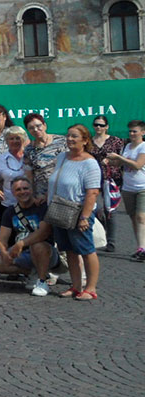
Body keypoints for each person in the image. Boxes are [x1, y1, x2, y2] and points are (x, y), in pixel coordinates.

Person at [47, 125, 103, 300]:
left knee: (86, 250)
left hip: (79, 212)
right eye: (68, 136)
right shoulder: (62, 157)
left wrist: (85, 217)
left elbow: (92, 192)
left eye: (75, 136)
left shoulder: (90, 163)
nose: (70, 139)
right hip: (60, 210)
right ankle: (76, 286)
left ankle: (91, 288)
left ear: (85, 140)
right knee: (69, 251)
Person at [0, 177, 59, 296]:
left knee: (37, 245)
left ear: (31, 190)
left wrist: (20, 244)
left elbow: (43, 233)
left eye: (25, 188)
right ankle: (33, 273)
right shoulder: (10, 211)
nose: (23, 192)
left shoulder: (43, 207)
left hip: (46, 252)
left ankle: (42, 281)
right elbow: (2, 239)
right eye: (18, 190)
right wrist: (4, 253)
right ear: (13, 193)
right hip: (22, 254)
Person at [106, 119, 145, 260]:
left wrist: (119, 157)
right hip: (128, 187)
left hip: (142, 187)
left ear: (143, 132)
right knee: (134, 217)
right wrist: (111, 161)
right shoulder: (127, 146)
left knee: (141, 217)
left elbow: (138, 165)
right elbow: (121, 163)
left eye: (135, 131)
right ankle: (140, 246)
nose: (132, 133)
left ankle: (143, 248)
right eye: (130, 131)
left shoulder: (143, 147)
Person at [90, 114, 125, 252]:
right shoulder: (89, 142)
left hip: (111, 178)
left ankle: (111, 241)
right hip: (93, 178)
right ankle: (99, 233)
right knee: (94, 207)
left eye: (101, 125)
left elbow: (122, 160)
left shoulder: (116, 141)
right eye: (96, 124)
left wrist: (112, 161)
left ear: (107, 127)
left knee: (110, 209)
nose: (99, 127)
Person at [0, 125, 29, 225]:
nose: (15, 141)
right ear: (6, 141)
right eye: (11, 138)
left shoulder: (30, 156)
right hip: (9, 204)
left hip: (30, 203)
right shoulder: (0, 159)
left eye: (18, 138)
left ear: (23, 139)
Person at [25, 114, 68, 201]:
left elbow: (70, 165)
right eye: (31, 128)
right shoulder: (28, 149)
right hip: (40, 195)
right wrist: (32, 196)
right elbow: (29, 175)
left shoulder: (62, 141)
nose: (36, 130)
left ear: (45, 125)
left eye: (38, 126)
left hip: (62, 192)